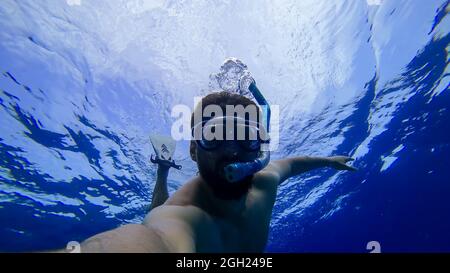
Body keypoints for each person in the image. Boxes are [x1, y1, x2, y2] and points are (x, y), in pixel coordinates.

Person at [75, 91, 356, 253]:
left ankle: (163, 169)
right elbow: (156, 240)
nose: (232, 151)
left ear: (261, 149)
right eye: (214, 134)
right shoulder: (178, 215)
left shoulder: (267, 180)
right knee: (155, 210)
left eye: (246, 136)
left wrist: (329, 161)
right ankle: (162, 173)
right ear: (194, 149)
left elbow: (294, 164)